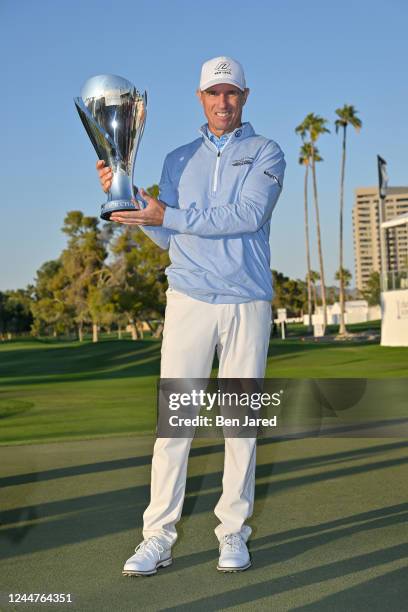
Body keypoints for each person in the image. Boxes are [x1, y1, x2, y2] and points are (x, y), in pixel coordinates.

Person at [96, 56, 286, 575]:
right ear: (200, 99)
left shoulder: (266, 152)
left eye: (231, 93)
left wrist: (166, 213)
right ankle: (157, 537)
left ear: (244, 97)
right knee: (174, 426)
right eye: (213, 94)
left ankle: (233, 534)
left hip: (246, 301)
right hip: (188, 301)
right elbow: (167, 232)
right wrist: (125, 196)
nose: (222, 102)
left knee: (240, 425)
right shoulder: (179, 158)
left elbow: (247, 216)